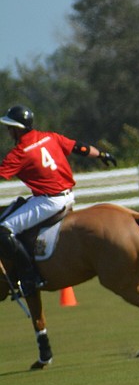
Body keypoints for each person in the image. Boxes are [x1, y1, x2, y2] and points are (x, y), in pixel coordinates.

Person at [0, 104, 117, 296]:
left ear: (17, 129)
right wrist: (101, 154)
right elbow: (79, 147)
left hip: (49, 202)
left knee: (4, 230)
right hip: (67, 195)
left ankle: (29, 277)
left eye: (9, 127)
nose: (7, 131)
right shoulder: (49, 137)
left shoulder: (20, 152)